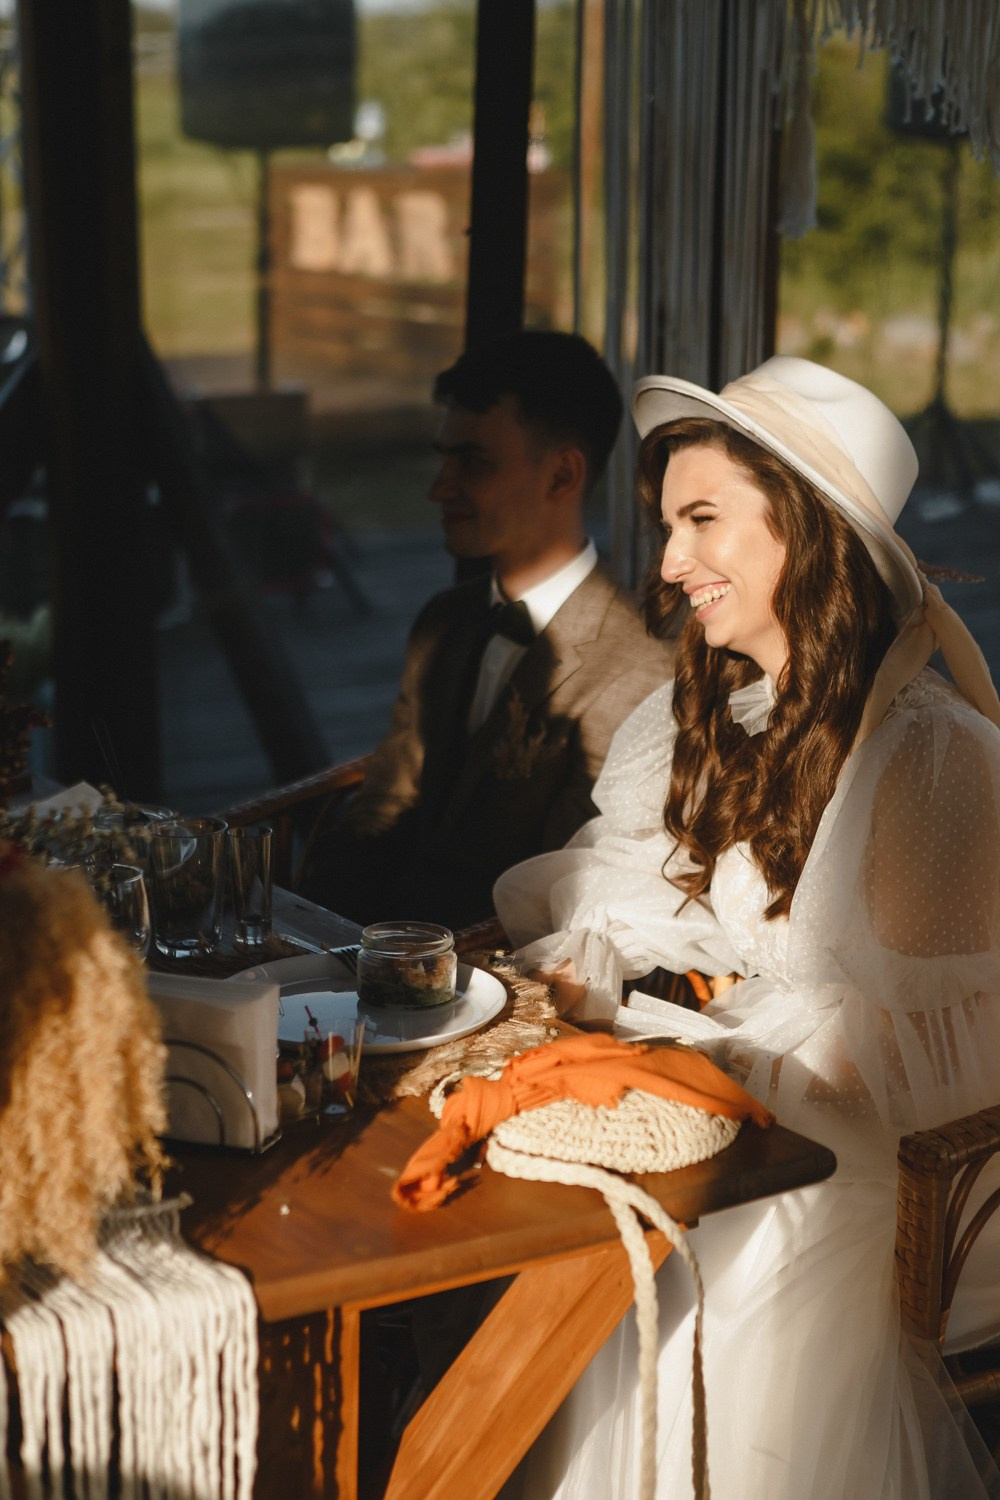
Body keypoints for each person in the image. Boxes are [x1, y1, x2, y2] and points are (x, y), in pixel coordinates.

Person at [493, 356, 1000, 1499]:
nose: (668, 565)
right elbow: (625, 888)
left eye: (701, 520)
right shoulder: (730, 716)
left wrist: (687, 1058)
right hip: (778, 1123)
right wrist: (603, 971)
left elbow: (925, 1072)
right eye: (669, 524)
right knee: (563, 1215)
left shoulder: (927, 759)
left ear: (806, 531)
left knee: (703, 1279)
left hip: (915, 1190)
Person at [301, 329, 673, 930]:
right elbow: (385, 804)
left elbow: (564, 895)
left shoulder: (642, 671)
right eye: (443, 458)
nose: (438, 488)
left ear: (561, 476)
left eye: (472, 462)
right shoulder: (443, 622)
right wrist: (313, 930)